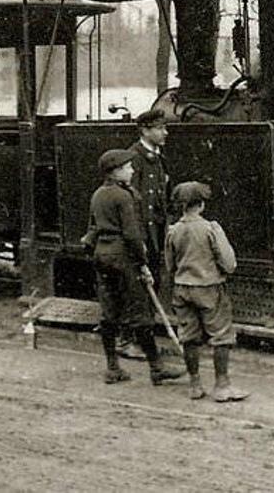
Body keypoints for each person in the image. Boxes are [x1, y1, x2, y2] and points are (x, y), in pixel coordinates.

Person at [86, 148, 183, 386]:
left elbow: (92, 229)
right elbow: (132, 234)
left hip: (102, 254)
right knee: (141, 312)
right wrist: (143, 264)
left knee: (109, 313)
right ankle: (156, 368)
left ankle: (112, 368)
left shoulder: (98, 194)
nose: (131, 170)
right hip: (124, 256)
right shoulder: (123, 196)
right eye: (128, 167)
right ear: (116, 171)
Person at [163, 181, 248, 402]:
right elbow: (229, 263)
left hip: (182, 288)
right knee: (221, 336)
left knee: (189, 336)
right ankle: (222, 385)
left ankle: (195, 384)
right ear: (201, 205)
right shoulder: (211, 228)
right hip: (209, 288)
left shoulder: (173, 231)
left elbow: (170, 265)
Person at [119, 108, 171, 360]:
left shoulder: (157, 157)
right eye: (160, 128)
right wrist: (138, 240)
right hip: (142, 233)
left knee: (152, 283)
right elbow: (132, 204)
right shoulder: (135, 158)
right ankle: (128, 340)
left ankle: (144, 339)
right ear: (145, 130)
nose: (165, 132)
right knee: (137, 287)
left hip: (155, 232)